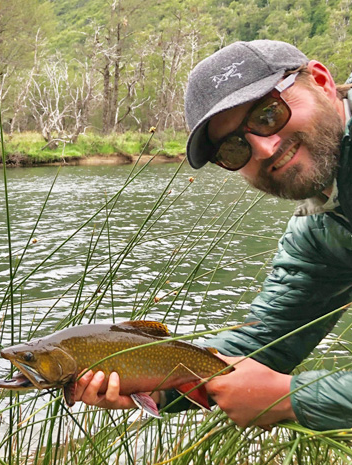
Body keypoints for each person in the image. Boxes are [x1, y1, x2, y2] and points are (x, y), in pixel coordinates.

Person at [73, 40, 352, 431]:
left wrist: (294, 399)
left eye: (269, 114)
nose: (265, 148)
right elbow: (266, 343)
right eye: (235, 148)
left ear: (322, 81)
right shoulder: (320, 230)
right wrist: (158, 383)